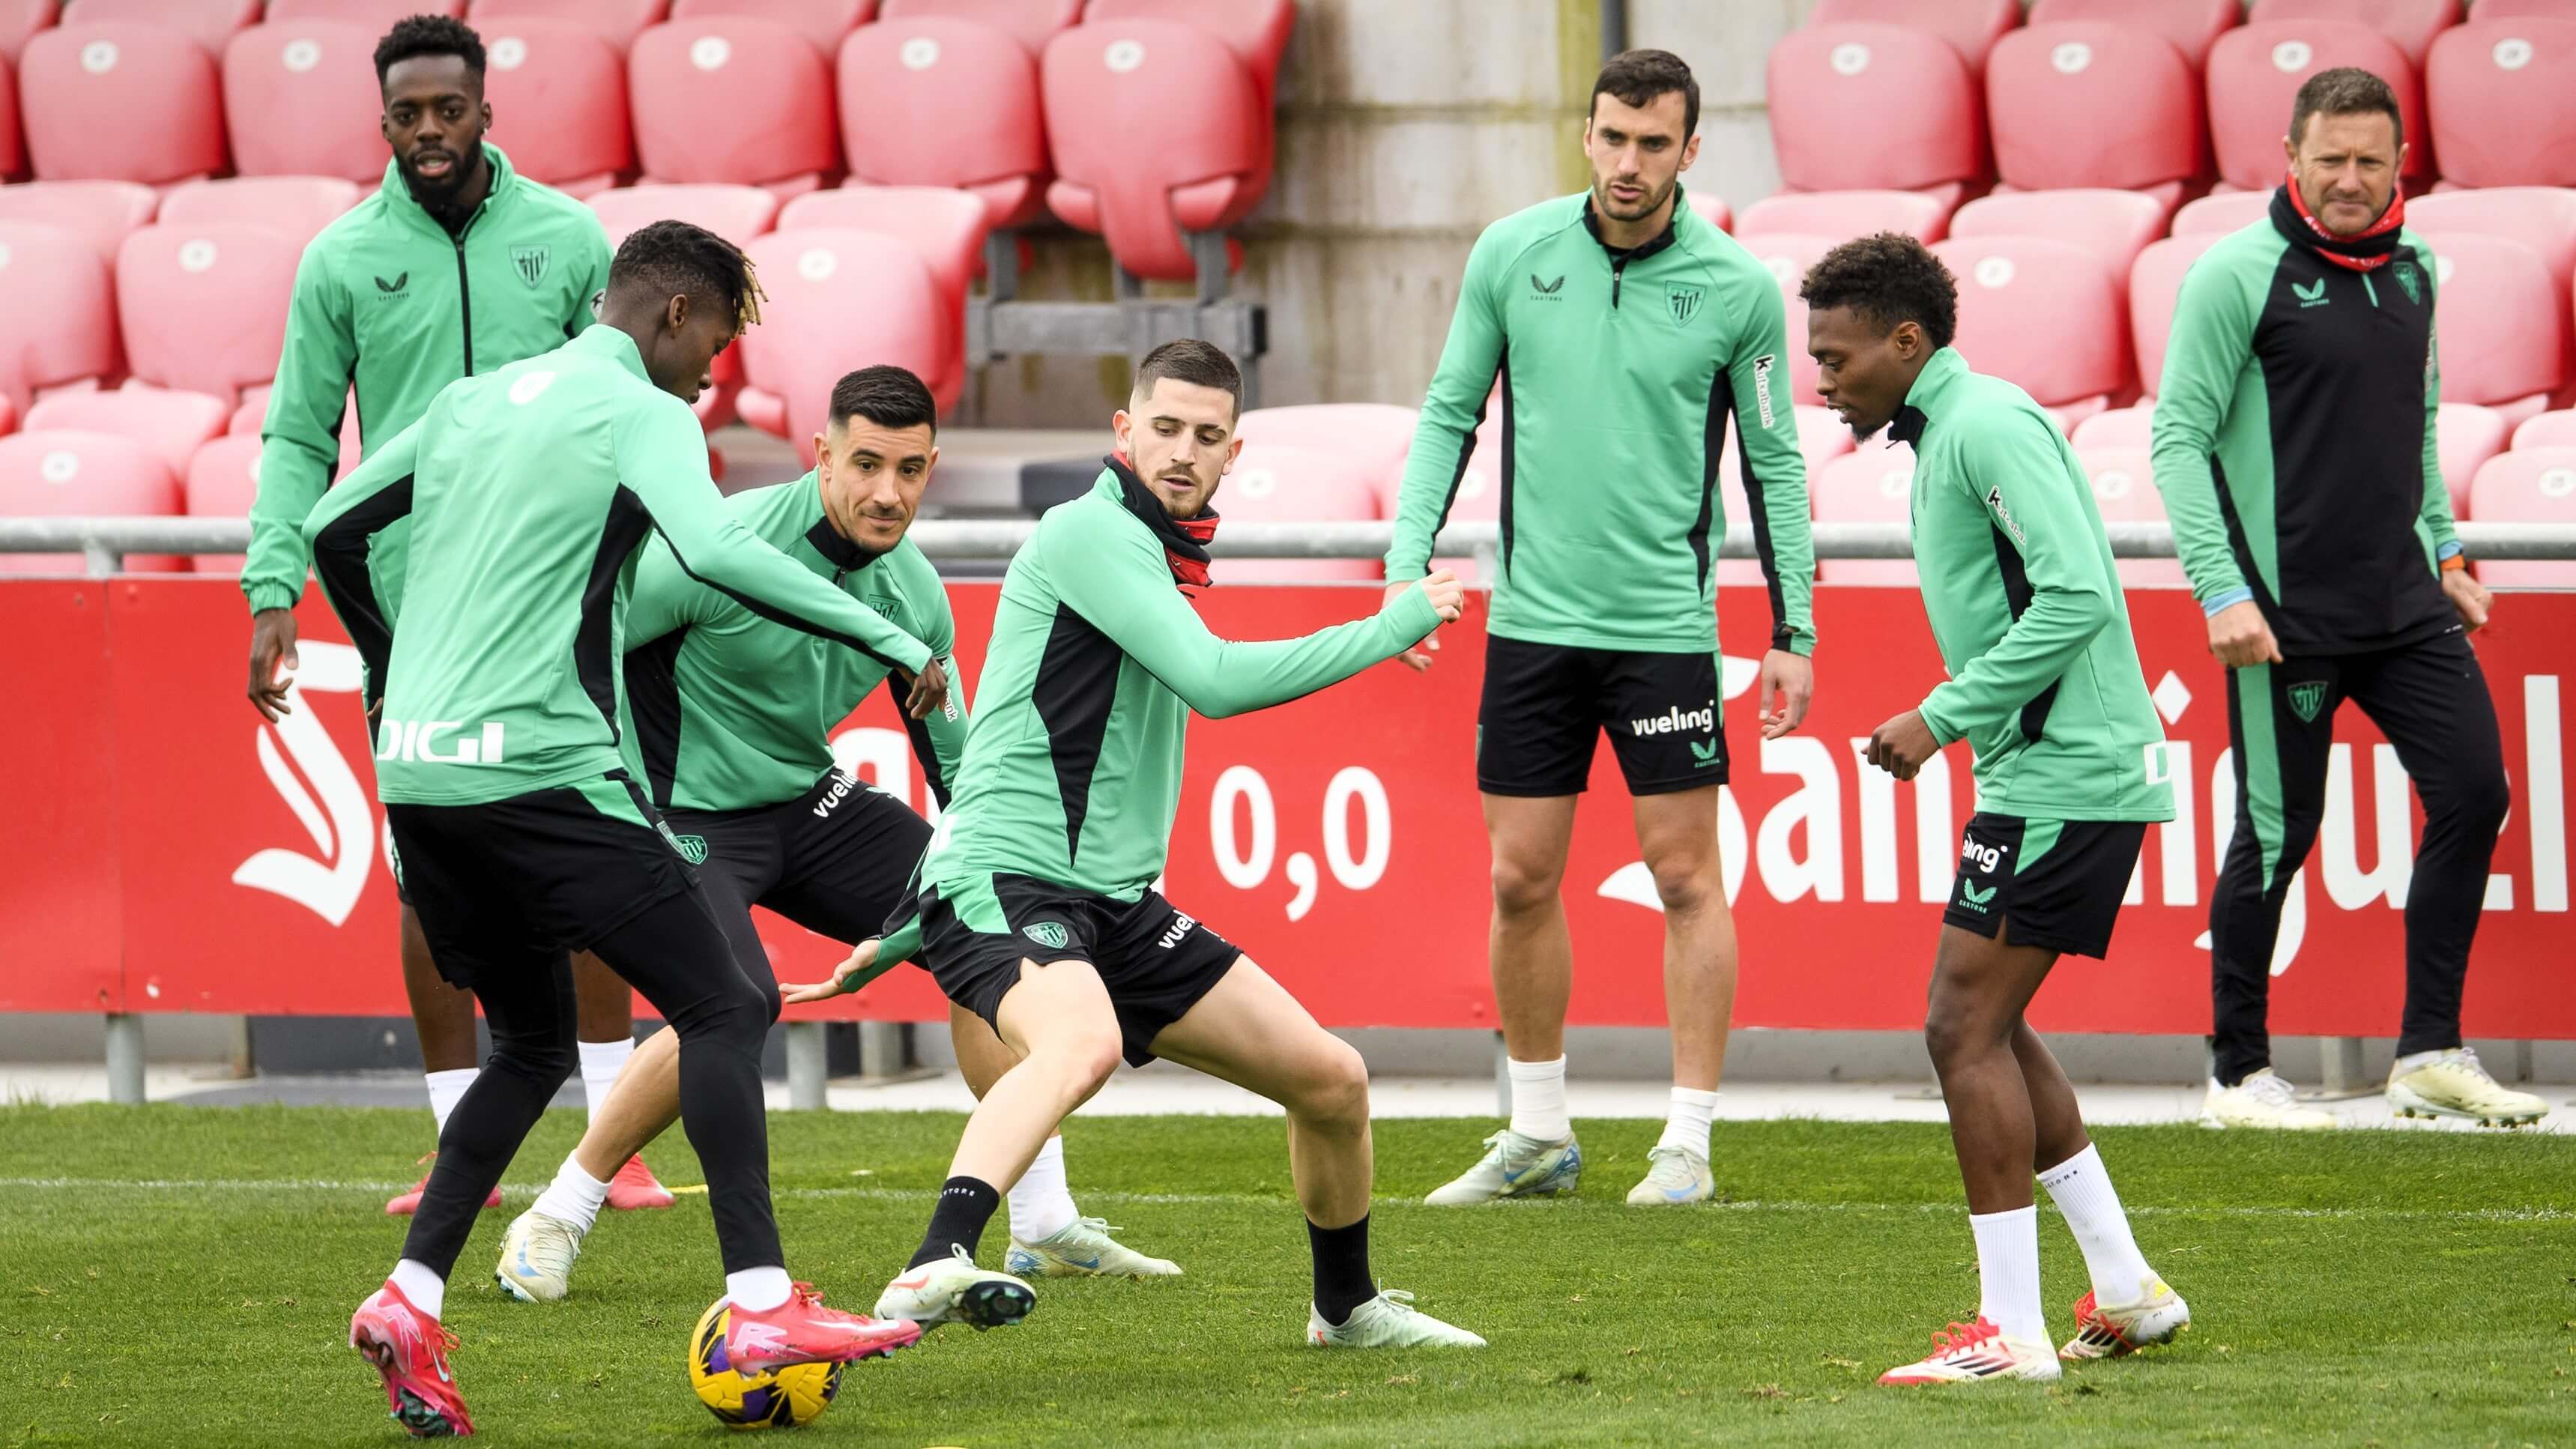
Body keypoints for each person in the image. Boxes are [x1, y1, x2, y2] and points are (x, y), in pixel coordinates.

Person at [309, 221, 994, 1438]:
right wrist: (893, 638)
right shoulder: (642, 412)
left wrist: (390, 670)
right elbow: (719, 545)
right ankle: (763, 1300)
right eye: (718, 343)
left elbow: (333, 528)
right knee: (728, 1002)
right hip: (541, 765)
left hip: (419, 770)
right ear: (676, 316)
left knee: (526, 1044)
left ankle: (411, 1295)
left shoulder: (475, 398)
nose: (714, 375)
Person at [786, 340, 1484, 1349]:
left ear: (1232, 452)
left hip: (1109, 900)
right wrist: (1393, 621)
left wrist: (903, 929)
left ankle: (1346, 1308)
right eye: (1163, 428)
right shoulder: (1090, 531)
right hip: (1014, 879)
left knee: (1331, 1079)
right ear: (1123, 431)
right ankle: (935, 1257)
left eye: (1205, 437)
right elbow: (1214, 678)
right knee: (1083, 1043)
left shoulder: (1156, 551)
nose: (1181, 452)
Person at [490, 366, 1181, 1304]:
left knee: (978, 935)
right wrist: (603, 796)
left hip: (810, 807)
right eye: (864, 463)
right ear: (821, 454)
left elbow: (963, 777)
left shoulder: (914, 595)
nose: (886, 492)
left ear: (933, 467)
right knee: (729, 1002)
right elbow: (587, 641)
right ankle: (561, 1210)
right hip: (685, 817)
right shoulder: (719, 544)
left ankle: (1042, 1222)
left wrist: (994, 878)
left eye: (908, 469)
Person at [238, 13, 669, 1211]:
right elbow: (298, 434)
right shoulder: (339, 261)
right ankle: (451, 1141)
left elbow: (631, 400)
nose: (429, 132)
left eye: (449, 111)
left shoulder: (571, 239)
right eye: (407, 115)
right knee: (426, 872)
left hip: (563, 594)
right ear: (383, 124)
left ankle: (609, 1138)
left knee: (590, 848)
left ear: (486, 112)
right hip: (418, 611)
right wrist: (274, 584)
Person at [1388, 49, 1818, 1208]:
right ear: (1588, 135)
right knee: (1518, 878)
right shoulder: (1511, 253)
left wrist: (1795, 629)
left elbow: (1774, 466)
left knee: (1685, 876)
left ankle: (1686, 1139)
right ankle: (1537, 1134)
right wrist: (1402, 562)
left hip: (1663, 632)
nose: (1628, 164)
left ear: (1689, 151)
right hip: (1531, 625)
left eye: (1652, 144)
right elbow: (1446, 415)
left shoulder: (1735, 288)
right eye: (1612, 138)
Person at [1800, 235, 2189, 1384]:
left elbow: (2075, 591)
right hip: (2041, 772)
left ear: (1905, 342)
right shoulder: (1952, 428)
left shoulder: (1982, 424)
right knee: (1995, 1028)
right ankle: (2127, 1289)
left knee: (1957, 1027)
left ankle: (2010, 1333)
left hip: (2064, 775)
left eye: (1835, 354)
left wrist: (1941, 714)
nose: (1821, 375)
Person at [2152, 68, 2542, 1131]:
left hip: (2404, 602)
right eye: (2329, 157)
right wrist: (2220, 592)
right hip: (2282, 619)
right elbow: (2175, 439)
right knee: (2279, 836)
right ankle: (2237, 1073)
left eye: (2370, 159)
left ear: (2399, 163)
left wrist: (2448, 553)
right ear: (2290, 156)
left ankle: (2428, 1050)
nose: (2349, 179)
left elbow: (2411, 432)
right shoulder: (2234, 273)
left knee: (2474, 795)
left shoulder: (2412, 266)